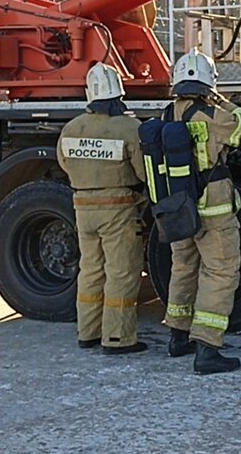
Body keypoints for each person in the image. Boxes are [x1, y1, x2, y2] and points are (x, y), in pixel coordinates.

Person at [162, 49, 241, 375]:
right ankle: (207, 349)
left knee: (184, 267)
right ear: (209, 83)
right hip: (213, 208)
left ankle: (178, 336)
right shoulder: (214, 116)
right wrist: (225, 101)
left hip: (179, 207)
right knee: (220, 273)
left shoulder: (167, 115)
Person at [56, 64, 149, 355]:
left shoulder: (73, 127)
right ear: (119, 93)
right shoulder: (130, 128)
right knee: (121, 272)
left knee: (91, 270)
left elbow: (64, 163)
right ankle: (118, 338)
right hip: (118, 210)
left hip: (83, 209)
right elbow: (143, 172)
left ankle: (88, 333)